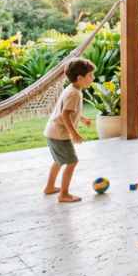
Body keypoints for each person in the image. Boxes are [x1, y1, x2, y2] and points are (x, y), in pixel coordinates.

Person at [43, 57, 96, 203]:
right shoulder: (74, 93)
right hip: (60, 134)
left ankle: (49, 187)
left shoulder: (72, 89)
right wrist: (74, 133)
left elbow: (69, 111)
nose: (93, 78)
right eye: (90, 75)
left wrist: (82, 119)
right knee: (72, 162)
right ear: (80, 77)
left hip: (52, 132)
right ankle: (64, 194)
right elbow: (65, 114)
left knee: (58, 161)